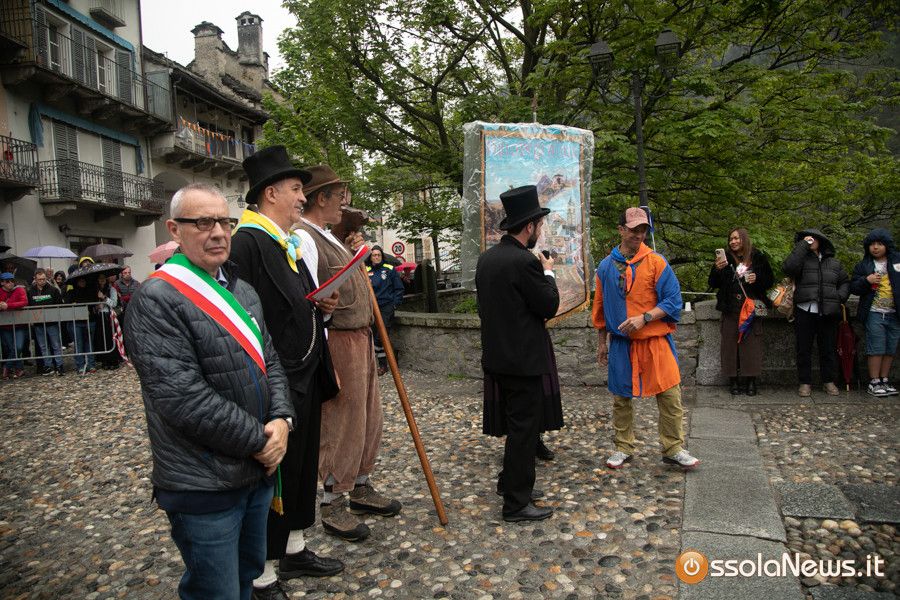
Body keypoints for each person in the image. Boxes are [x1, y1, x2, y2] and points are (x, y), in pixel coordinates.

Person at [125, 184, 295, 600]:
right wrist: (261, 441)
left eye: (224, 221)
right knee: (215, 590)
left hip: (256, 472)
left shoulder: (243, 290)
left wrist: (282, 419)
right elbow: (182, 397)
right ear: (174, 230)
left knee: (247, 575)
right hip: (204, 481)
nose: (218, 232)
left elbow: (271, 362)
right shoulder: (156, 299)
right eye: (203, 222)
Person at [230, 149, 344, 597]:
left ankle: (294, 549)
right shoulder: (247, 243)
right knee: (275, 472)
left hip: (305, 371)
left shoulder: (284, 241)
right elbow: (243, 317)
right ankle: (262, 575)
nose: (302, 197)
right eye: (297, 189)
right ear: (271, 193)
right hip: (276, 379)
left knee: (301, 466)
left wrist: (322, 307)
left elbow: (295, 305)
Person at [297, 164, 402, 542]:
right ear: (320, 198)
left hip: (360, 336)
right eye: (338, 195)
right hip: (337, 339)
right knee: (342, 420)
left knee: (368, 416)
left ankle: (360, 486)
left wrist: (353, 251)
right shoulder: (304, 238)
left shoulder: (330, 236)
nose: (343, 202)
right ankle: (333, 501)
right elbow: (308, 296)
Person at [476, 185, 559, 523]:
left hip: (497, 357)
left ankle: (510, 483)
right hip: (523, 361)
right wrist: (548, 271)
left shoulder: (487, 259)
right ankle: (516, 503)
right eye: (539, 224)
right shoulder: (525, 261)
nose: (540, 230)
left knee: (516, 427)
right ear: (529, 226)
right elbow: (548, 305)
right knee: (524, 431)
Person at [593, 208, 699, 471]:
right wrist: (602, 342)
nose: (639, 234)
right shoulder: (605, 267)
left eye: (643, 230)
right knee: (621, 398)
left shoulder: (656, 262)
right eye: (634, 229)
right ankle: (623, 447)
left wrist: (645, 318)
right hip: (622, 343)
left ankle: (673, 448)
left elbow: (673, 300)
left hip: (655, 340)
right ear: (621, 230)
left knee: (670, 395)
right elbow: (600, 307)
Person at [782, 228, 849, 397]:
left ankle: (829, 381)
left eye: (813, 238)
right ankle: (805, 382)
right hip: (804, 309)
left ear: (822, 241)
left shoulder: (834, 263)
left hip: (828, 311)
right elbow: (788, 268)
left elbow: (845, 282)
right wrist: (802, 246)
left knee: (828, 348)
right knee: (803, 349)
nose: (810, 240)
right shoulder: (801, 260)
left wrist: (839, 297)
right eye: (806, 238)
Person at [708, 228, 774, 396]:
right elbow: (713, 283)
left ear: (744, 239)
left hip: (751, 308)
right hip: (730, 307)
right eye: (731, 239)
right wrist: (717, 269)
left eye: (736, 238)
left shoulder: (757, 257)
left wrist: (757, 278)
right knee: (729, 346)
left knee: (752, 346)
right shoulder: (725, 259)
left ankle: (751, 381)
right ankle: (733, 381)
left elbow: (769, 281)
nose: (733, 242)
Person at [849, 228, 899, 397]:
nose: (875, 247)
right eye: (872, 244)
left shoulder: (897, 261)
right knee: (876, 347)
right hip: (874, 312)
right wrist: (866, 280)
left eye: (879, 244)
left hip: (895, 313)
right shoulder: (864, 265)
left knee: (890, 348)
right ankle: (874, 381)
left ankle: (884, 379)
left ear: (887, 245)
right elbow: (853, 287)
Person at [366, 245, 404, 375]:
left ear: (382, 256)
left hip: (386, 307)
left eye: (378, 255)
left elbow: (399, 288)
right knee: (375, 336)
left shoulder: (389, 269)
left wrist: (394, 304)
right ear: (370, 257)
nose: (376, 257)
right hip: (372, 307)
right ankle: (383, 364)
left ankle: (383, 364)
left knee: (380, 337)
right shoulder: (366, 270)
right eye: (374, 255)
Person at [27, 271, 64, 376]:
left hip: (51, 322)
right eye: (39, 279)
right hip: (38, 323)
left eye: (44, 279)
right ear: (35, 279)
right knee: (43, 346)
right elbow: (29, 305)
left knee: (55, 345)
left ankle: (59, 365)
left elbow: (59, 304)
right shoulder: (30, 291)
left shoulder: (53, 290)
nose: (42, 281)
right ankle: (47, 366)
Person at [66, 277, 97, 374]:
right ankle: (80, 365)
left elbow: (93, 301)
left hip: (90, 320)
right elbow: (68, 302)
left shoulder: (91, 290)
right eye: (80, 281)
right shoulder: (71, 292)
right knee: (78, 343)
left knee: (89, 343)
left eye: (84, 281)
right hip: (76, 321)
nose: (82, 283)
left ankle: (91, 364)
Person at [0, 272, 28, 379]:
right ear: (2, 283)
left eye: (12, 281)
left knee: (18, 347)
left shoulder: (19, 290)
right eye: (7, 281)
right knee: (11, 348)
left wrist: (8, 305)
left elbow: (24, 302)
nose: (11, 283)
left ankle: (6, 367)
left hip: (19, 324)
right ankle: (19, 369)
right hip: (5, 326)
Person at [94, 273, 121, 370]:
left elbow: (114, 303)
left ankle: (113, 360)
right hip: (99, 316)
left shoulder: (111, 289)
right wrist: (96, 306)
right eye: (100, 278)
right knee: (101, 338)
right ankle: (104, 360)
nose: (102, 280)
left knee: (110, 338)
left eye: (103, 278)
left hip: (108, 316)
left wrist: (104, 298)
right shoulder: (96, 290)